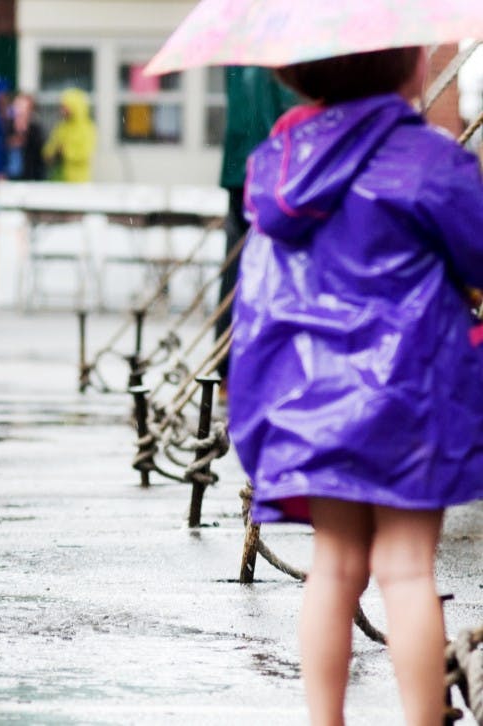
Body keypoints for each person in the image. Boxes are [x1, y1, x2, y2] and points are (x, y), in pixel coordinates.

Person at [227, 46, 483, 726]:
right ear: (409, 70)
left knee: (334, 570)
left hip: (310, 401)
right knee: (406, 571)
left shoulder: (278, 164)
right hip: (410, 398)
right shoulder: (429, 159)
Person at [214, 67, 296, 383]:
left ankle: (227, 366)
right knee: (270, 270)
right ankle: (254, 367)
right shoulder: (274, 58)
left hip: (239, 166)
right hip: (271, 169)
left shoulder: (242, 51)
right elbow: (273, 116)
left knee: (236, 268)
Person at [42, 87, 96, 182]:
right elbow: (49, 150)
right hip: (58, 178)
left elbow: (85, 153)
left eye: (65, 107)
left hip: (78, 180)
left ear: (75, 107)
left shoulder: (87, 128)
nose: (62, 111)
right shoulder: (61, 126)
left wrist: (65, 151)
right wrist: (51, 153)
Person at [5, 91, 47, 181]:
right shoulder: (7, 126)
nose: (19, 110)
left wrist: (24, 137)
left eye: (23, 107)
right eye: (17, 106)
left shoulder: (35, 129)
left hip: (30, 177)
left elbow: (39, 154)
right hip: (10, 176)